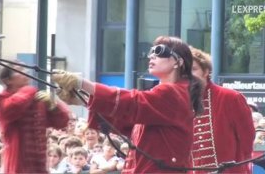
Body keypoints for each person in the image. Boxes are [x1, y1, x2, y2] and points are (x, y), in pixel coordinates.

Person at [51, 36, 204, 173]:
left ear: (179, 62)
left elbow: (133, 102)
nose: (151, 55)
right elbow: (128, 122)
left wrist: (82, 84)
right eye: (151, 51)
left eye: (159, 51)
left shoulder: (173, 93)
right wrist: (84, 100)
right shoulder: (169, 93)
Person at [0, 64, 70, 173]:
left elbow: (63, 122)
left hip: (39, 167)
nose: (25, 73)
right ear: (7, 80)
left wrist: (54, 106)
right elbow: (12, 108)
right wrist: (29, 90)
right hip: (17, 166)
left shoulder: (36, 100)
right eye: (19, 71)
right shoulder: (1, 99)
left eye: (24, 69)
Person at [189, 47, 255, 173]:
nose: (188, 75)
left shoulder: (230, 97)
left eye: (193, 69)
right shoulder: (179, 102)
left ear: (206, 71)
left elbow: (247, 140)